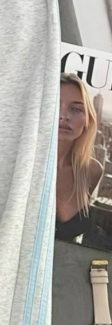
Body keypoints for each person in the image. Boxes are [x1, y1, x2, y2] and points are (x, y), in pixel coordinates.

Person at [55, 73, 104, 242]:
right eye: (55, 104)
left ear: (87, 120)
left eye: (76, 109)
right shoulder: (23, 165)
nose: (64, 116)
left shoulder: (92, 171)